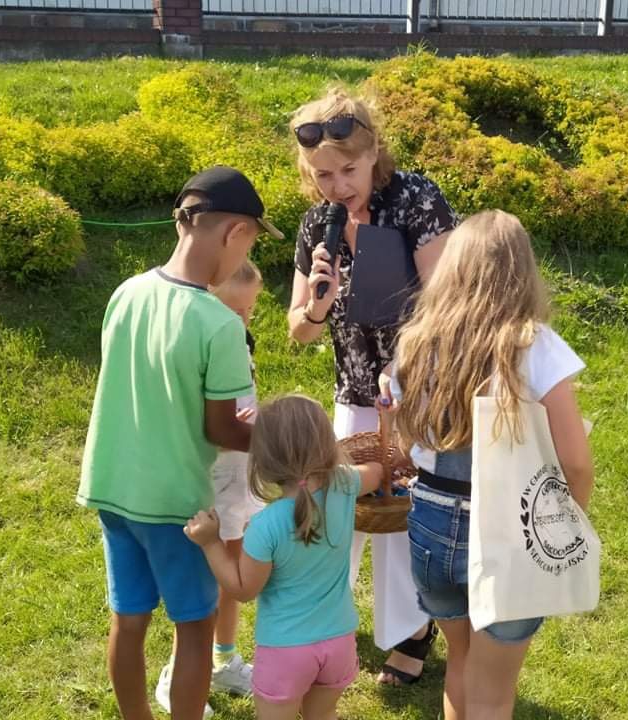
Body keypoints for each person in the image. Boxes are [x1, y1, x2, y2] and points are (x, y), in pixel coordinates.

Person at [76, 165, 283, 720]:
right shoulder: (219, 324)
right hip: (176, 505)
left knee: (128, 618)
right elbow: (223, 429)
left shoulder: (126, 293)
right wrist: (284, 439)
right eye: (249, 245)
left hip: (112, 488)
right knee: (195, 625)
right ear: (236, 232)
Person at [382, 210, 595, 720]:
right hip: (510, 528)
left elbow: (406, 443)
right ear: (523, 271)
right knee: (494, 693)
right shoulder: (535, 345)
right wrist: (569, 520)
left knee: (460, 661)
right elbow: (575, 461)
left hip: (431, 522)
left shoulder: (417, 340)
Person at [287, 87, 461, 685]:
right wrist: (318, 302)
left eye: (348, 171)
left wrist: (403, 363)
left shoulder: (415, 199)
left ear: (373, 154)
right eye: (323, 175)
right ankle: (329, 619)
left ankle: (413, 630)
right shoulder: (317, 225)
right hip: (354, 387)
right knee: (346, 507)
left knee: (406, 509)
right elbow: (299, 330)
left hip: (420, 383)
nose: (336, 187)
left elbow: (446, 302)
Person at [184, 395, 384, 720]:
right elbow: (376, 471)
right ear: (327, 445)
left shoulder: (265, 525)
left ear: (263, 461)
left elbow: (243, 590)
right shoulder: (345, 484)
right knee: (324, 715)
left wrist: (210, 543)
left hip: (285, 652)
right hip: (339, 641)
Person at [155, 260, 265, 713]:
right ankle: (175, 674)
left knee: (231, 572)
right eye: (235, 311)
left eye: (250, 311)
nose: (244, 320)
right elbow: (194, 423)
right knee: (199, 587)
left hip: (238, 480)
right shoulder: (200, 346)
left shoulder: (238, 343)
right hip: (207, 484)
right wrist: (228, 429)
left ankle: (223, 660)